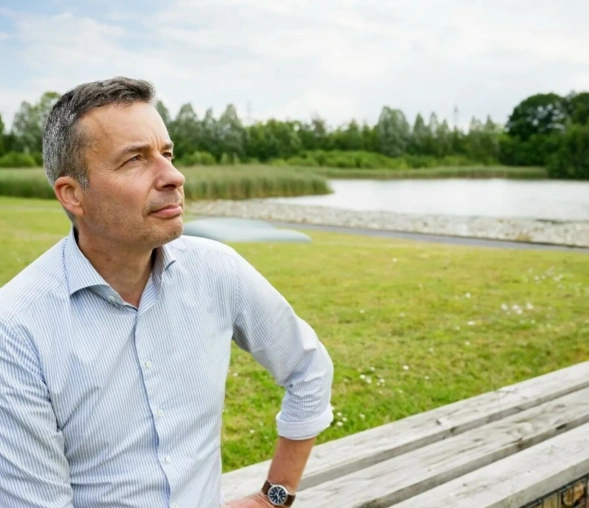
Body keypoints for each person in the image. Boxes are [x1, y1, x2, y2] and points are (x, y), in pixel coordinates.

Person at [0, 77, 334, 508]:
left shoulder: (217, 270)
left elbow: (308, 368)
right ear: (72, 195)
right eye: (136, 160)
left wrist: (274, 497)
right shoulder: (15, 329)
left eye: (167, 153)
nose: (174, 176)